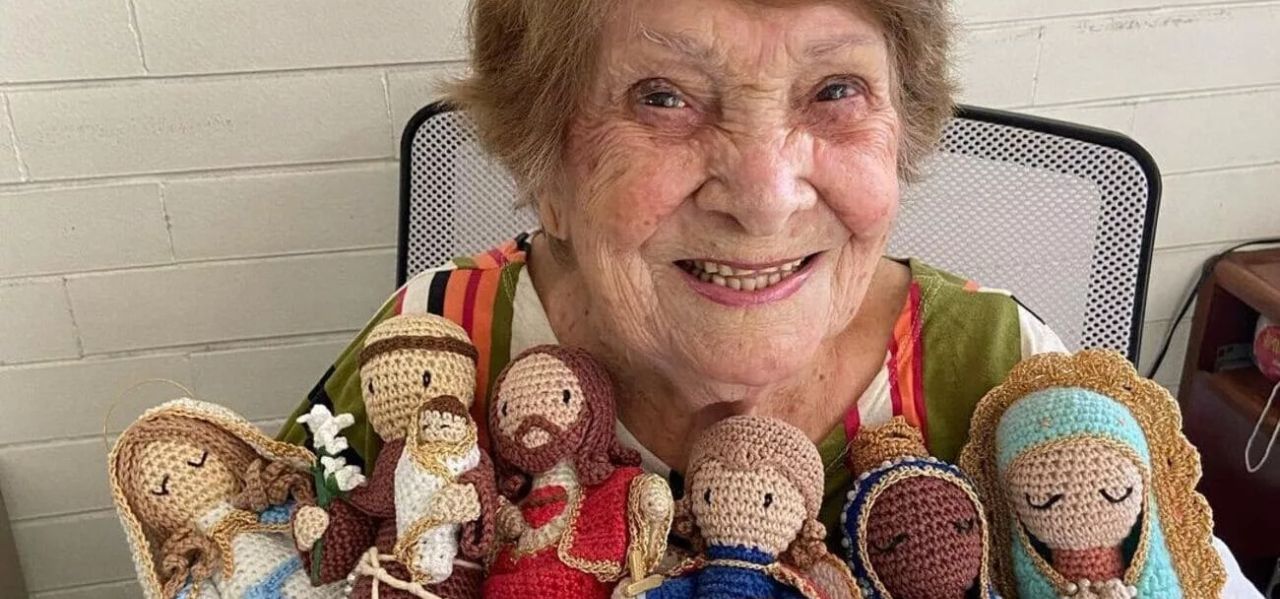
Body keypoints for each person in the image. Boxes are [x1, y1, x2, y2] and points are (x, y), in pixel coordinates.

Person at [277, 0, 1257, 592]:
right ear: (545, 166)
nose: (763, 196)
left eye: (834, 91)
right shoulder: (434, 347)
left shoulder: (1009, 375)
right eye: (662, 96)